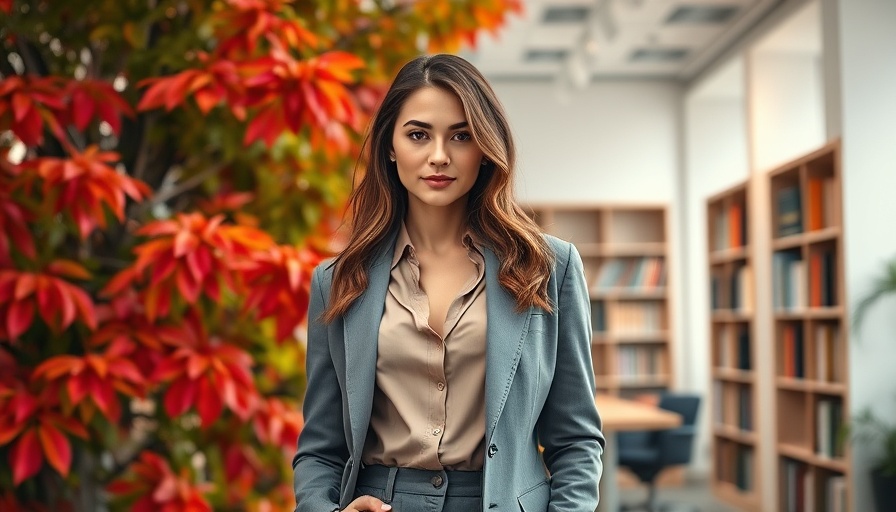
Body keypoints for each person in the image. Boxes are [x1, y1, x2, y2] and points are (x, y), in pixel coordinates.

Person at [292, 53, 604, 512]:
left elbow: (576, 440)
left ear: (484, 147)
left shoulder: (548, 267)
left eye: (461, 135)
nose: (439, 156)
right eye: (418, 134)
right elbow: (321, 447)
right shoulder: (338, 281)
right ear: (390, 146)